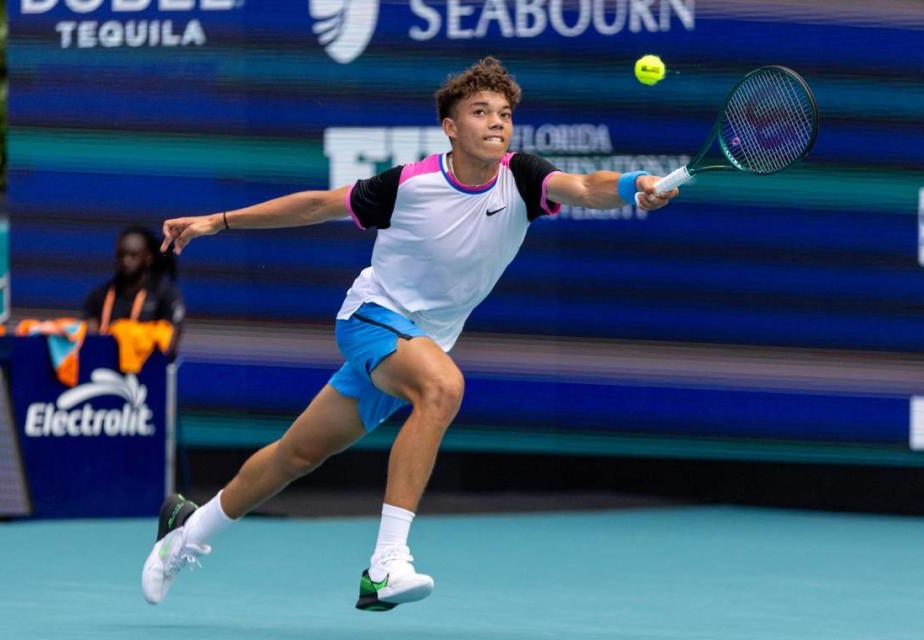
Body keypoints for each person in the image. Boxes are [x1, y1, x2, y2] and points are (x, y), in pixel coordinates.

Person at [141, 56, 678, 612]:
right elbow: (315, 207)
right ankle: (385, 565)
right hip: (372, 318)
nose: (497, 123)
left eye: (504, 113)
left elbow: (588, 185)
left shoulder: (524, 177)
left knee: (296, 455)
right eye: (480, 112)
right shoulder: (408, 185)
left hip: (419, 343)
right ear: (451, 127)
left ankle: (186, 527)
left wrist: (635, 185)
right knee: (442, 387)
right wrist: (217, 220)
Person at [83, 225, 185, 357]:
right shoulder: (99, 295)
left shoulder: (165, 295)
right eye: (121, 255)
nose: (126, 261)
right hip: (104, 370)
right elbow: (89, 339)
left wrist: (134, 337)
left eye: (133, 255)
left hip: (149, 372)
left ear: (148, 258)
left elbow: (170, 342)